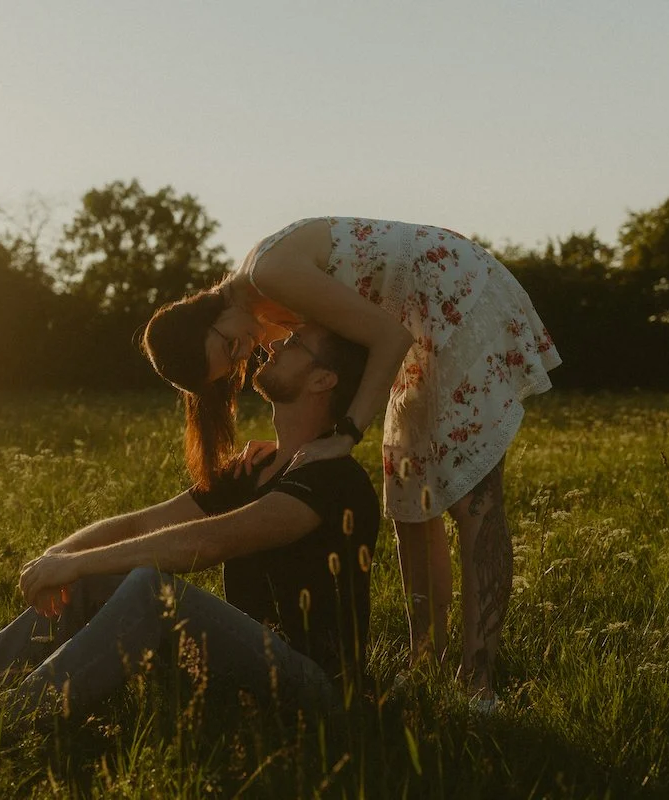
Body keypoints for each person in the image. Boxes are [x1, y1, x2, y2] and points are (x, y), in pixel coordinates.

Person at [142, 217, 561, 698]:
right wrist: (284, 453)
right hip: (412, 321)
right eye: (235, 359)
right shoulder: (256, 309)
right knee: (411, 498)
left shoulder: (268, 276)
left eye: (230, 343)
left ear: (203, 313)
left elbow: (389, 339)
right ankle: (425, 666)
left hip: (455, 296)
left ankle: (478, 685)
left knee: (475, 503)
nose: (247, 349)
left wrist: (348, 432)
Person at [0, 324, 379, 723]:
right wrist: (61, 557)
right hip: (242, 669)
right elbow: (144, 523)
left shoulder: (334, 477)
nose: (274, 345)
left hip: (318, 690)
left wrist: (81, 563)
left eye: (294, 344)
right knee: (93, 577)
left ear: (323, 380)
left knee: (150, 590)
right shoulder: (255, 467)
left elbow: (212, 541)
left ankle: (2, 723)